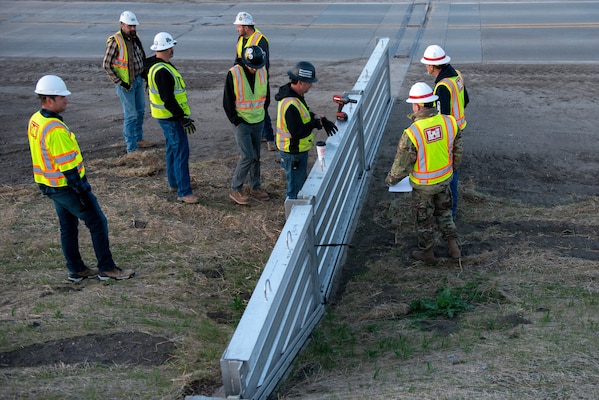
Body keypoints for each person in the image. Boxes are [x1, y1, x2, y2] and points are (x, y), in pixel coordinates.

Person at [27, 75, 135, 281]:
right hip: (66, 187)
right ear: (49, 100)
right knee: (97, 222)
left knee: (68, 226)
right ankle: (107, 268)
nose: (66, 100)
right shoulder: (55, 129)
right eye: (62, 97)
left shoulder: (36, 120)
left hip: (51, 186)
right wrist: (83, 193)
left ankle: (76, 269)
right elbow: (69, 169)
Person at [385, 82, 463, 265]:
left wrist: (390, 180)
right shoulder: (449, 122)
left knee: (424, 219)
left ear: (417, 106)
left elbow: (401, 165)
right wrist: (450, 169)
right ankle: (454, 247)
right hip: (444, 180)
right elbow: (458, 151)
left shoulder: (412, 132)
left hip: (423, 187)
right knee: (444, 214)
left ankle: (428, 253)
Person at [146, 32, 199, 204]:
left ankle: (174, 182)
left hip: (166, 117)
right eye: (172, 46)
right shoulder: (162, 70)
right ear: (168, 48)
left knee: (172, 149)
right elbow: (168, 99)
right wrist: (182, 118)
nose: (173, 49)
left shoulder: (157, 65)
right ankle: (184, 191)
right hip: (170, 118)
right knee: (181, 152)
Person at [275, 61, 338, 200]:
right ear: (301, 82)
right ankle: (293, 216)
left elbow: (302, 114)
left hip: (295, 152)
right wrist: (314, 124)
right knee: (295, 190)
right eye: (309, 82)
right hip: (293, 153)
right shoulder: (291, 103)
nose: (311, 85)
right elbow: (297, 132)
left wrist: (316, 117)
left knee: (298, 184)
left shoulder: (294, 97)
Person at [421, 44, 469, 218]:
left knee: (449, 170)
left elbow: (442, 116)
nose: (426, 67)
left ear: (432, 66)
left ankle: (451, 211)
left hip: (450, 134)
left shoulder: (442, 86)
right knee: (453, 167)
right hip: (459, 128)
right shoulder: (456, 75)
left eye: (427, 64)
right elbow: (466, 100)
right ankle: (451, 209)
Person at [223, 46, 271, 205]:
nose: (254, 70)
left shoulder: (262, 71)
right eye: (251, 67)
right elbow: (227, 101)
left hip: (258, 120)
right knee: (247, 157)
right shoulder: (234, 73)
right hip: (241, 123)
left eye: (257, 67)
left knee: (256, 156)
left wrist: (261, 115)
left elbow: (266, 96)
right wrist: (236, 121)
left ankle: (255, 186)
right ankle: (235, 188)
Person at [103, 10, 155, 154]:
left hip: (137, 80)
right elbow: (106, 65)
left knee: (140, 111)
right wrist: (121, 83)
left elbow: (140, 57)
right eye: (130, 26)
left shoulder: (135, 38)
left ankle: (139, 139)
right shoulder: (116, 41)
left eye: (134, 26)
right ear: (122, 25)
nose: (132, 28)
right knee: (131, 115)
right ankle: (131, 148)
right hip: (126, 85)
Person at [233, 11, 276, 151]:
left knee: (261, 107)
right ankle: (263, 134)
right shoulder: (240, 38)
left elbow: (264, 63)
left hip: (258, 79)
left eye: (239, 26)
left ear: (246, 27)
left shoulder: (260, 40)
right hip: (245, 78)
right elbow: (238, 58)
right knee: (252, 107)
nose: (237, 29)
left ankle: (270, 139)